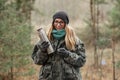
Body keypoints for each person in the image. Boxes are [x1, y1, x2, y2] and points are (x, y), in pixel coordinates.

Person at [32, 11, 86, 80]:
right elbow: (37, 61)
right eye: (56, 21)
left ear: (65, 24)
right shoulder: (45, 38)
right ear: (53, 23)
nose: (58, 24)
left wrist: (67, 55)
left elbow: (81, 61)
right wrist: (42, 51)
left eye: (61, 22)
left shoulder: (74, 40)